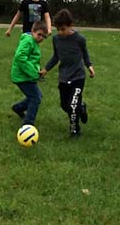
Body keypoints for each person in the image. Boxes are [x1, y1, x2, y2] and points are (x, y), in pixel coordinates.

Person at [40, 9, 95, 137]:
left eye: (63, 29)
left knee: (72, 106)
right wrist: (46, 69)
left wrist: (89, 66)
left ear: (71, 26)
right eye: (58, 29)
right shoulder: (56, 39)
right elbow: (56, 57)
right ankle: (82, 108)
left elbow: (85, 54)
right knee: (65, 106)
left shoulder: (80, 39)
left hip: (78, 77)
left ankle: (75, 130)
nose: (60, 32)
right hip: (64, 77)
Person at [11, 21, 49, 127]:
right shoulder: (28, 41)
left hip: (27, 76)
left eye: (44, 36)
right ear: (33, 31)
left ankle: (18, 108)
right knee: (35, 98)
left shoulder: (34, 42)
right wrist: (34, 73)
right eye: (39, 34)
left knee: (37, 95)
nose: (41, 37)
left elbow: (32, 59)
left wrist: (37, 69)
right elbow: (20, 57)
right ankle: (28, 124)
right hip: (22, 76)